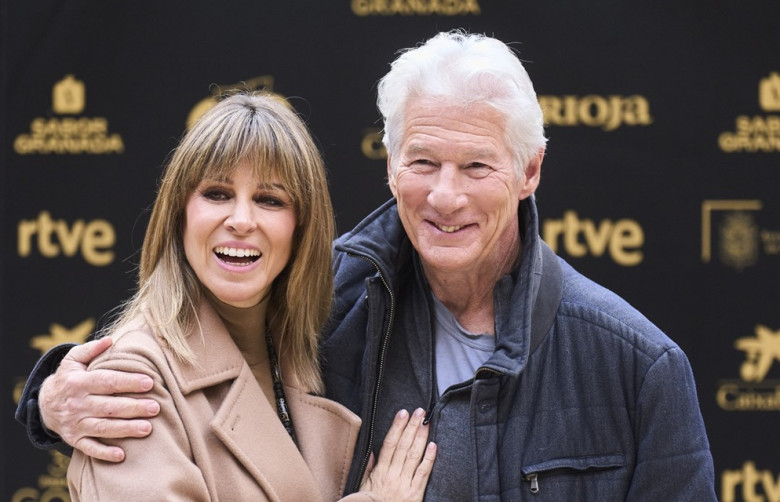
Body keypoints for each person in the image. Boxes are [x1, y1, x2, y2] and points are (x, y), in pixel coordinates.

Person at [17, 32, 716, 500]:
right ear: (389, 166)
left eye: (476, 165)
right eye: (422, 162)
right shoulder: (328, 305)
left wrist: (47, 398)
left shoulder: (637, 368)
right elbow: (187, 351)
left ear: (529, 169)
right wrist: (52, 396)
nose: (445, 195)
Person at [20, 92, 436, 501]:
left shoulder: (312, 353)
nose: (240, 221)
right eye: (216, 193)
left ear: (302, 228)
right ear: (178, 213)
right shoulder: (132, 381)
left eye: (269, 199)